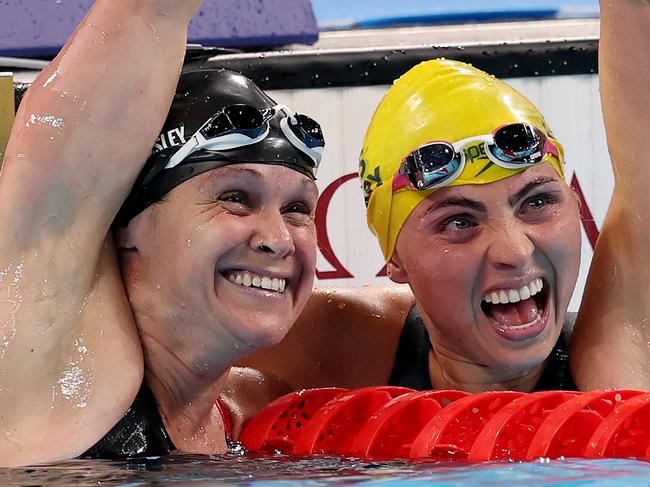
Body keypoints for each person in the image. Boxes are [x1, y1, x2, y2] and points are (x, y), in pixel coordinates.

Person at [234, 0, 642, 417]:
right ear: (395, 259)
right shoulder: (334, 346)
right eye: (459, 222)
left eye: (537, 202)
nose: (515, 251)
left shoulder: (625, 356)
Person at [0, 0, 324, 466]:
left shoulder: (250, 407)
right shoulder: (58, 380)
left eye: (296, 209)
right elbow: (145, 12)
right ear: (127, 224)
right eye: (235, 198)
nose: (278, 238)